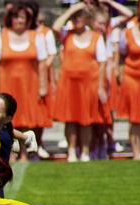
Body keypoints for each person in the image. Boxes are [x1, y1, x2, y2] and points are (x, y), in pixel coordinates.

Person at [0, 3, 50, 160]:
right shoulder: (0, 37)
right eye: (16, 17)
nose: (20, 21)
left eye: (23, 18)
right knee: (8, 120)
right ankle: (10, 153)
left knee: (27, 120)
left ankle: (25, 153)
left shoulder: (36, 36)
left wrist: (43, 85)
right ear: (11, 19)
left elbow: (43, 62)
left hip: (29, 85)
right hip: (7, 85)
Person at [52, 4, 109, 161]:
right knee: (70, 119)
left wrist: (100, 87)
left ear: (87, 19)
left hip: (88, 84)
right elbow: (55, 27)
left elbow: (102, 62)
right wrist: (72, 9)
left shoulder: (96, 37)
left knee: (86, 120)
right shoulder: (66, 35)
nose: (77, 20)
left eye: (81, 16)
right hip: (69, 83)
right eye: (74, 17)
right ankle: (71, 151)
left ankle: (84, 151)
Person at [116, 3, 140, 160]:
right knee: (135, 119)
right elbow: (122, 53)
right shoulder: (128, 33)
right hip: (133, 78)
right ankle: (136, 154)